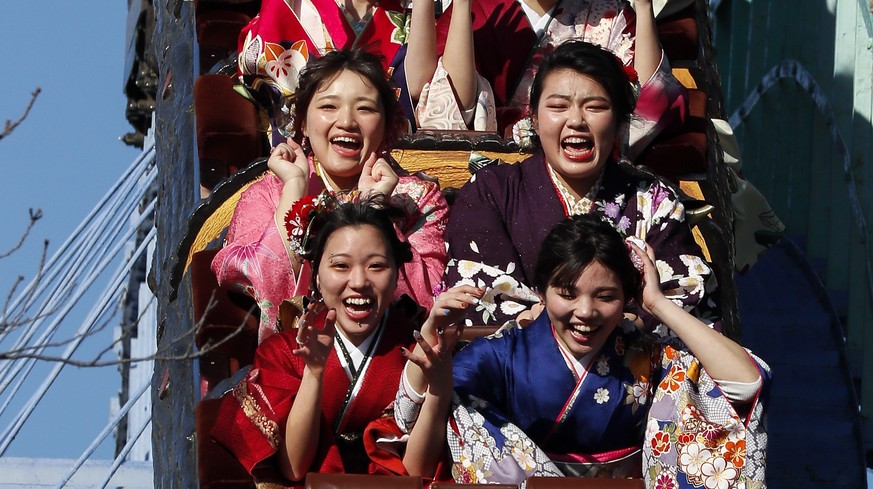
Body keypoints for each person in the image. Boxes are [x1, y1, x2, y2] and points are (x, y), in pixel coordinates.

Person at [408, 214, 770, 485]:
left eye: (606, 296)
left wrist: (658, 303)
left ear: (627, 298)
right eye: (567, 294)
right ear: (541, 291)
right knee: (462, 410)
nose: (585, 312)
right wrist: (436, 371)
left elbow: (745, 384)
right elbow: (413, 449)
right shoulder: (501, 355)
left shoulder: (647, 356)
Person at [442, 40, 712, 331]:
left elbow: (684, 290)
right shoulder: (491, 192)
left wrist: (627, 325)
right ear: (532, 117)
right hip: (517, 366)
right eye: (558, 106)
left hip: (630, 363)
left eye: (595, 107)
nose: (576, 121)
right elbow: (476, 294)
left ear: (621, 120)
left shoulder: (653, 200)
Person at [211, 197, 461, 486]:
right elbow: (293, 468)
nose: (358, 281)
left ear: (397, 276)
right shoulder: (281, 353)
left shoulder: (416, 351)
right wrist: (314, 374)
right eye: (341, 265)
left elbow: (418, 472)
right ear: (316, 277)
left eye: (377, 266)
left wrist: (439, 389)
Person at [212, 49, 449, 342]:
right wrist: (294, 193)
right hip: (295, 364)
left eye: (364, 109)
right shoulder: (266, 195)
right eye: (328, 107)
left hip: (395, 363)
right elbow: (261, 285)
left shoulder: (418, 198)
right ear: (302, 123)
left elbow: (427, 300)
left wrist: (374, 210)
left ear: (387, 126)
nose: (347, 121)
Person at [414, 0, 683, 157]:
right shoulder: (483, 7)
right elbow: (447, 99)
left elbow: (647, 99)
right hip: (493, 167)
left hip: (583, 162)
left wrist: (644, 5)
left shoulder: (608, 10)